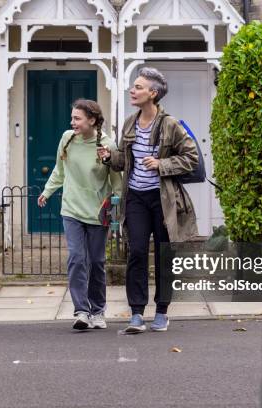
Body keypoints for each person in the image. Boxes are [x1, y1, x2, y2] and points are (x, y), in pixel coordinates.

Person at [97, 67, 199, 333]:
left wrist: (161, 163)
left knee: (164, 256)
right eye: (134, 86)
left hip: (163, 200)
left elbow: (191, 158)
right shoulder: (130, 123)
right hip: (137, 198)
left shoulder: (170, 125)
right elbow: (123, 162)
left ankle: (162, 311)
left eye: (139, 87)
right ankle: (136, 313)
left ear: (153, 94)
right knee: (137, 253)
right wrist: (110, 157)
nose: (133, 90)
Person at [39, 99, 122, 331]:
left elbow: (116, 180)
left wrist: (119, 204)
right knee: (76, 258)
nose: (72, 122)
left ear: (92, 120)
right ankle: (82, 311)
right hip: (72, 208)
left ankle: (98, 311)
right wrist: (47, 191)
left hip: (97, 211)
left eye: (77, 118)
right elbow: (60, 169)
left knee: (96, 262)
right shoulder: (67, 139)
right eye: (72, 118)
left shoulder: (107, 145)